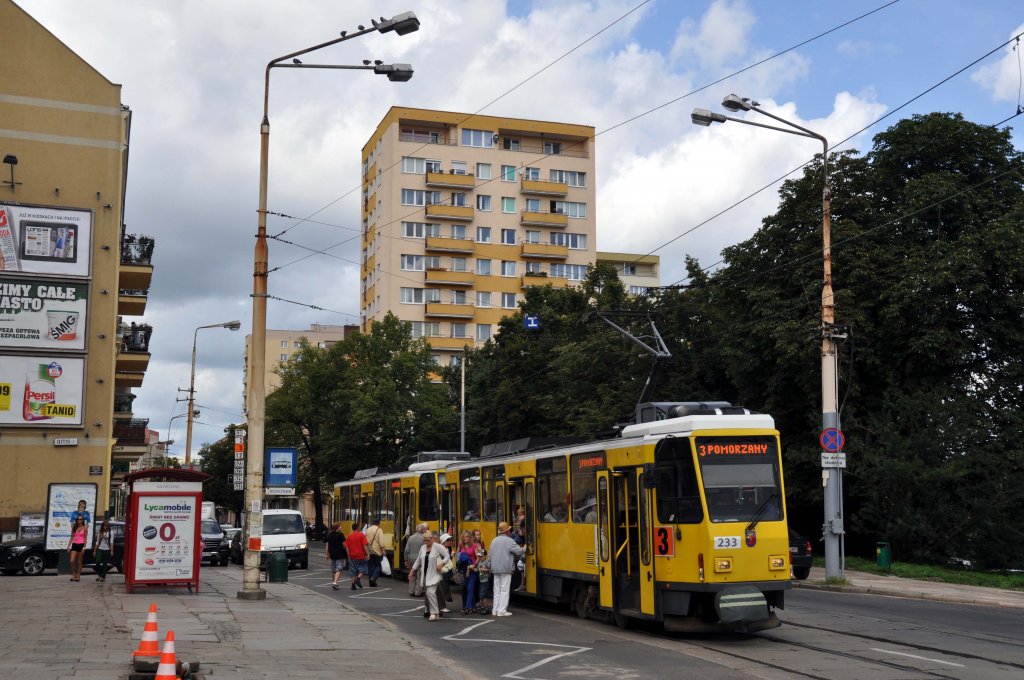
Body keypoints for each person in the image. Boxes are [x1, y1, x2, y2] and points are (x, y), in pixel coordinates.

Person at [408, 530, 451, 621]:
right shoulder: (423, 548)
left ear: (432, 539)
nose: (425, 542)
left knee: (430, 592)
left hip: (435, 574)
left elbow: (447, 556)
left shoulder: (438, 547)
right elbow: (418, 560)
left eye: (427, 540)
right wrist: (412, 571)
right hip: (425, 575)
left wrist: (442, 563)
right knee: (429, 593)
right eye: (424, 540)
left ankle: (433, 613)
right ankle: (435, 613)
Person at [487, 521, 525, 616]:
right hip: (506, 569)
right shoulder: (509, 541)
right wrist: (525, 547)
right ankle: (502, 610)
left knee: (496, 590)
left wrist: (489, 566)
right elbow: (519, 551)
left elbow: (489, 556)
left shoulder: (494, 540)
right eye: (509, 530)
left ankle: (495, 610)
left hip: (495, 569)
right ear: (507, 531)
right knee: (504, 590)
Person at [458, 531, 479, 614]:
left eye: (467, 536)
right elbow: (458, 555)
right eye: (464, 537)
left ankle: (467, 607)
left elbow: (478, 557)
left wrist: (474, 565)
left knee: (470, 588)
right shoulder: (461, 545)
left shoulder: (474, 545)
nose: (465, 538)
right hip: (464, 569)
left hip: (472, 569)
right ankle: (473, 607)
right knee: (468, 588)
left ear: (470, 537)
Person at [344, 522, 369, 590]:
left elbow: (346, 547)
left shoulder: (349, 536)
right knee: (363, 568)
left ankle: (353, 585)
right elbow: (365, 546)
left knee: (353, 570)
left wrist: (348, 554)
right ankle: (358, 578)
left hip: (352, 556)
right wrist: (368, 554)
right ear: (358, 528)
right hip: (361, 556)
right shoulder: (361, 535)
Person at [405, 523, 427, 596]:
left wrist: (406, 559)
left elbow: (406, 550)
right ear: (422, 530)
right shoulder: (423, 538)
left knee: (412, 575)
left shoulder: (410, 538)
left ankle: (411, 591)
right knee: (419, 576)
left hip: (411, 559)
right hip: (420, 560)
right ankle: (418, 592)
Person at [364, 517, 386, 587]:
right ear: (378, 523)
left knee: (370, 566)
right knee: (378, 566)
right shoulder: (379, 530)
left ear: (372, 523)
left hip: (369, 551)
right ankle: (373, 578)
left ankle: (370, 581)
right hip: (377, 551)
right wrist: (383, 550)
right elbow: (381, 542)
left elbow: (365, 540)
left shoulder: (368, 530)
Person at [325, 522, 348, 590]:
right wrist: (347, 551)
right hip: (340, 554)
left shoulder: (329, 535)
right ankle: (335, 582)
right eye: (340, 526)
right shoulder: (341, 535)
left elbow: (327, 545)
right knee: (339, 569)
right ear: (337, 527)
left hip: (332, 554)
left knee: (333, 569)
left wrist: (327, 554)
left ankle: (334, 583)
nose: (341, 527)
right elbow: (344, 545)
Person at [67, 515, 88, 582]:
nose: (79, 521)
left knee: (79, 562)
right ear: (76, 520)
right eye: (78, 519)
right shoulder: (74, 527)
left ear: (83, 520)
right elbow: (71, 538)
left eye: (81, 519)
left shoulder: (85, 528)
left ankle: (78, 576)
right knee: (72, 561)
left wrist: (84, 547)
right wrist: (68, 546)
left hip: (81, 545)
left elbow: (85, 538)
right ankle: (73, 575)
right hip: (74, 545)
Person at [437, 533, 454, 613]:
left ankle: (441, 606)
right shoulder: (441, 549)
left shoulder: (447, 549)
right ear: (443, 541)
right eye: (448, 540)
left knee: (444, 588)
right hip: (442, 572)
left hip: (446, 571)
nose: (450, 541)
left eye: (450, 540)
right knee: (443, 589)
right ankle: (442, 607)